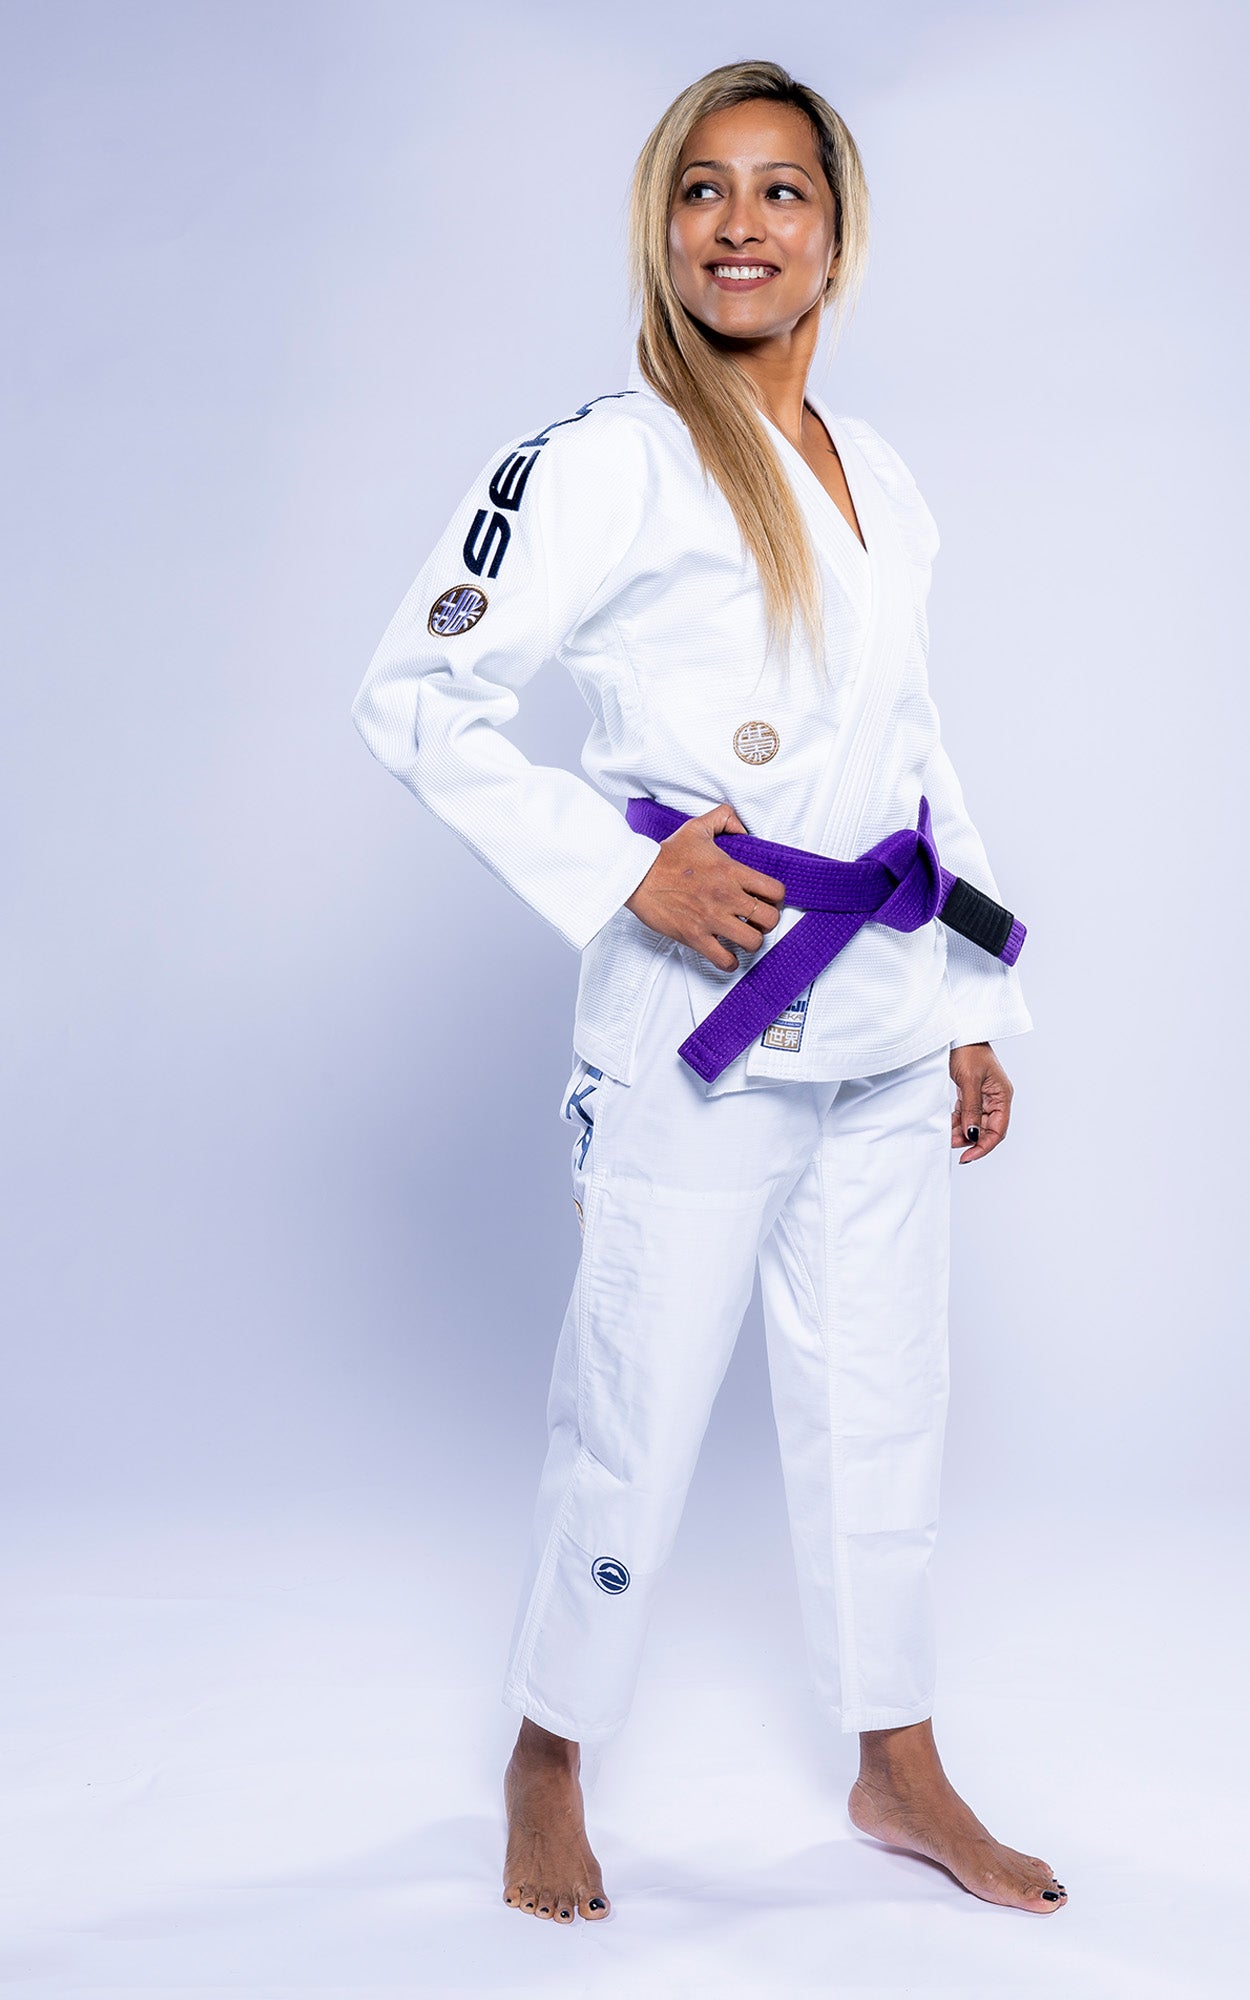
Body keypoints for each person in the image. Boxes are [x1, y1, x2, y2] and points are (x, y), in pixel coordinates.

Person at [353, 59, 1066, 1927]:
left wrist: (979, 996)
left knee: (887, 1396)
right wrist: (624, 872)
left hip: (890, 1006)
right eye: (704, 192)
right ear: (662, 228)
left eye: (781, 194)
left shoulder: (881, 472)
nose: (740, 226)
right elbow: (414, 697)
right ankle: (548, 1748)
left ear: (837, 236)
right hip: (703, 1011)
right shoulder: (603, 458)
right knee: (639, 1397)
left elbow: (915, 753)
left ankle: (893, 1757)